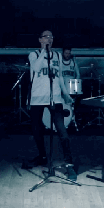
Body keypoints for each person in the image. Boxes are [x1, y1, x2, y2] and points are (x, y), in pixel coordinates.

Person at [27, 30, 77, 181]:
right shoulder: (34, 54)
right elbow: (36, 68)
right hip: (37, 98)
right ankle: (42, 156)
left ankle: (69, 164)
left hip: (55, 98)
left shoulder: (57, 56)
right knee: (37, 130)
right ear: (40, 39)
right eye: (46, 37)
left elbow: (59, 76)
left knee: (62, 130)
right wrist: (44, 51)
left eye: (51, 37)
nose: (49, 39)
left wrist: (66, 94)